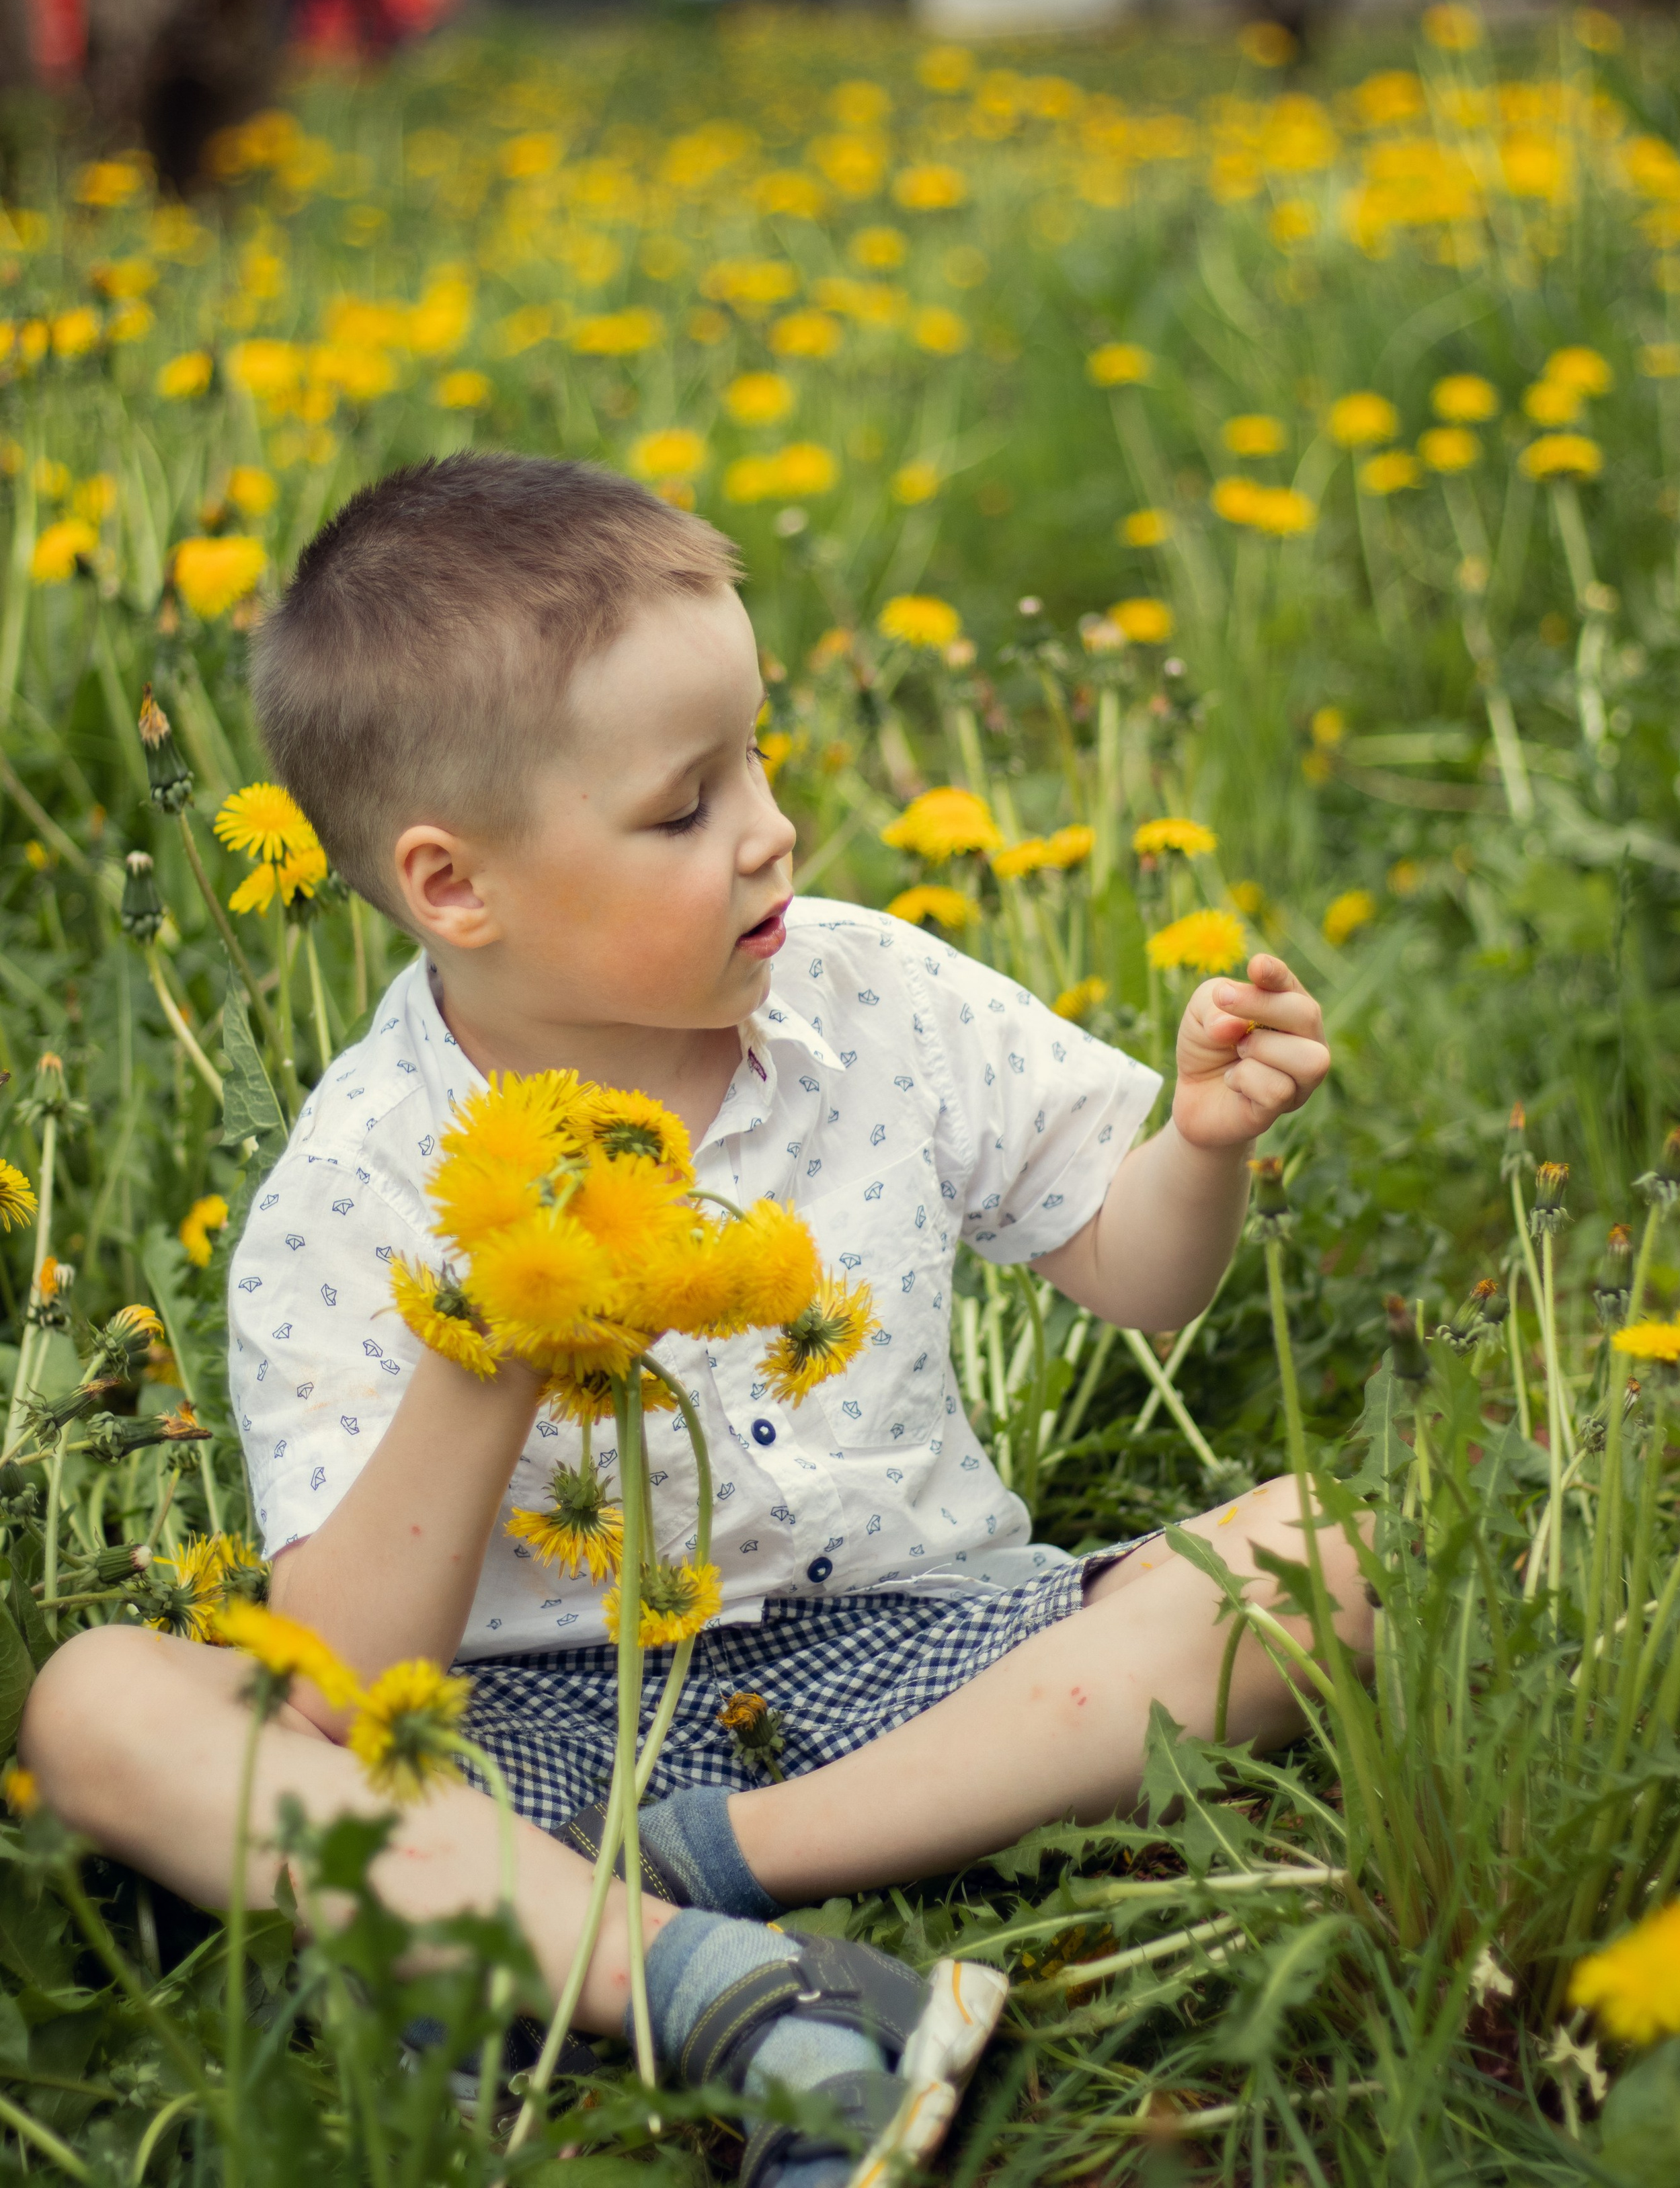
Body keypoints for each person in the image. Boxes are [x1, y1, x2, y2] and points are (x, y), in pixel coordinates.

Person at [22, 454, 1363, 2188]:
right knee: (97, 1705)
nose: (768, 828)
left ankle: (682, 1886)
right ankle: (720, 1995)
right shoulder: (358, 1182)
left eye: (757, 756)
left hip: (922, 1649)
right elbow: (350, 1682)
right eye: (684, 808)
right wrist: (492, 1346)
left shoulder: (873, 990)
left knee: (1336, 1560)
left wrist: (1198, 1150)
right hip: (530, 1727)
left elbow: (1138, 1277)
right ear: (453, 887)